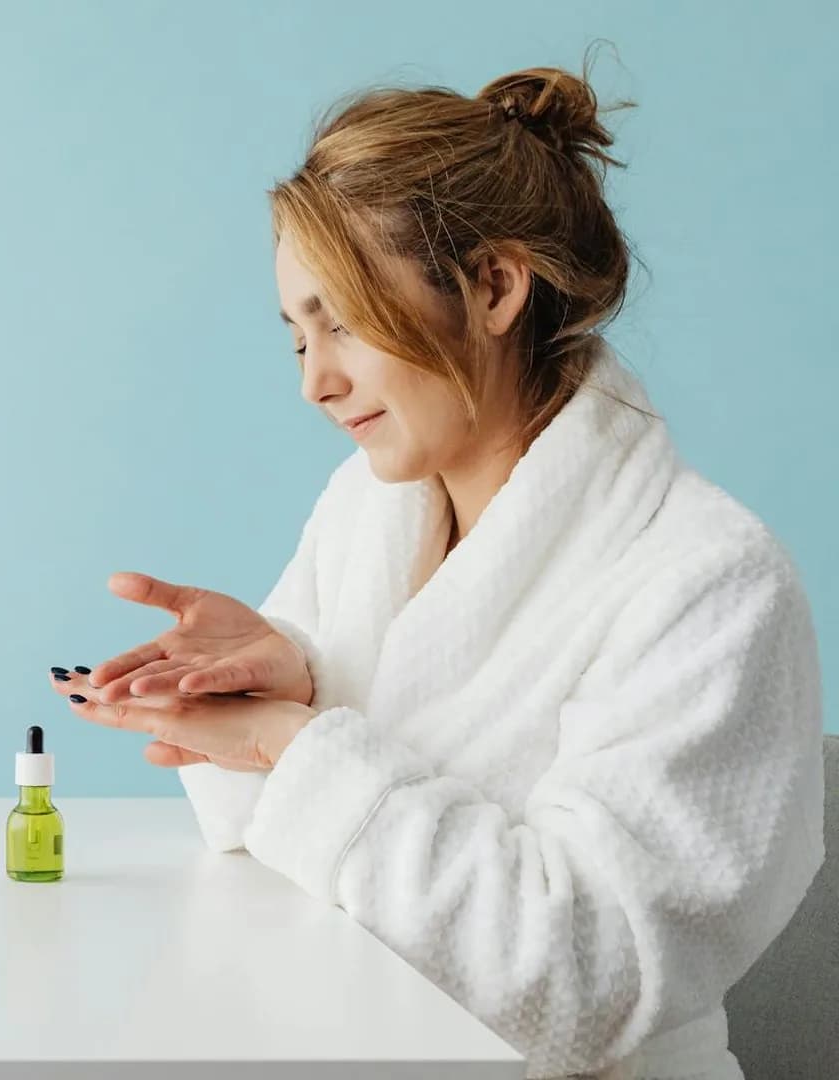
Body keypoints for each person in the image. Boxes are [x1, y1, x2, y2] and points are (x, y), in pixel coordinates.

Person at [48, 63, 824, 1080]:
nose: (316, 382)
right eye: (295, 338)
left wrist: (296, 739)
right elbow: (267, 849)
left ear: (496, 285)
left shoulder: (711, 585)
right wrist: (285, 684)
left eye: (345, 324)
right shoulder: (364, 511)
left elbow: (588, 980)